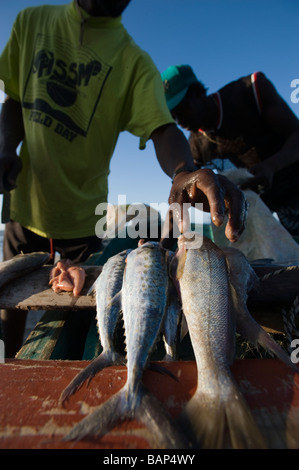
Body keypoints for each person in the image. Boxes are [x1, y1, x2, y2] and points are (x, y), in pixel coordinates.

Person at [0, 2, 246, 357]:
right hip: (22, 208)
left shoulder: (134, 62)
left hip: (83, 223)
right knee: (10, 307)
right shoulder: (30, 22)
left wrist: (183, 172)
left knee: (64, 319)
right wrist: (7, 148)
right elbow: (14, 102)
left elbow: (162, 130)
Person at [161, 65, 299, 236]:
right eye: (173, 116)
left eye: (182, 109)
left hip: (292, 189)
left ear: (197, 92)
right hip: (257, 207)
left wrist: (270, 166)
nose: (179, 120)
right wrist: (162, 243)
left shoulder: (250, 92)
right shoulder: (195, 145)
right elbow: (183, 193)